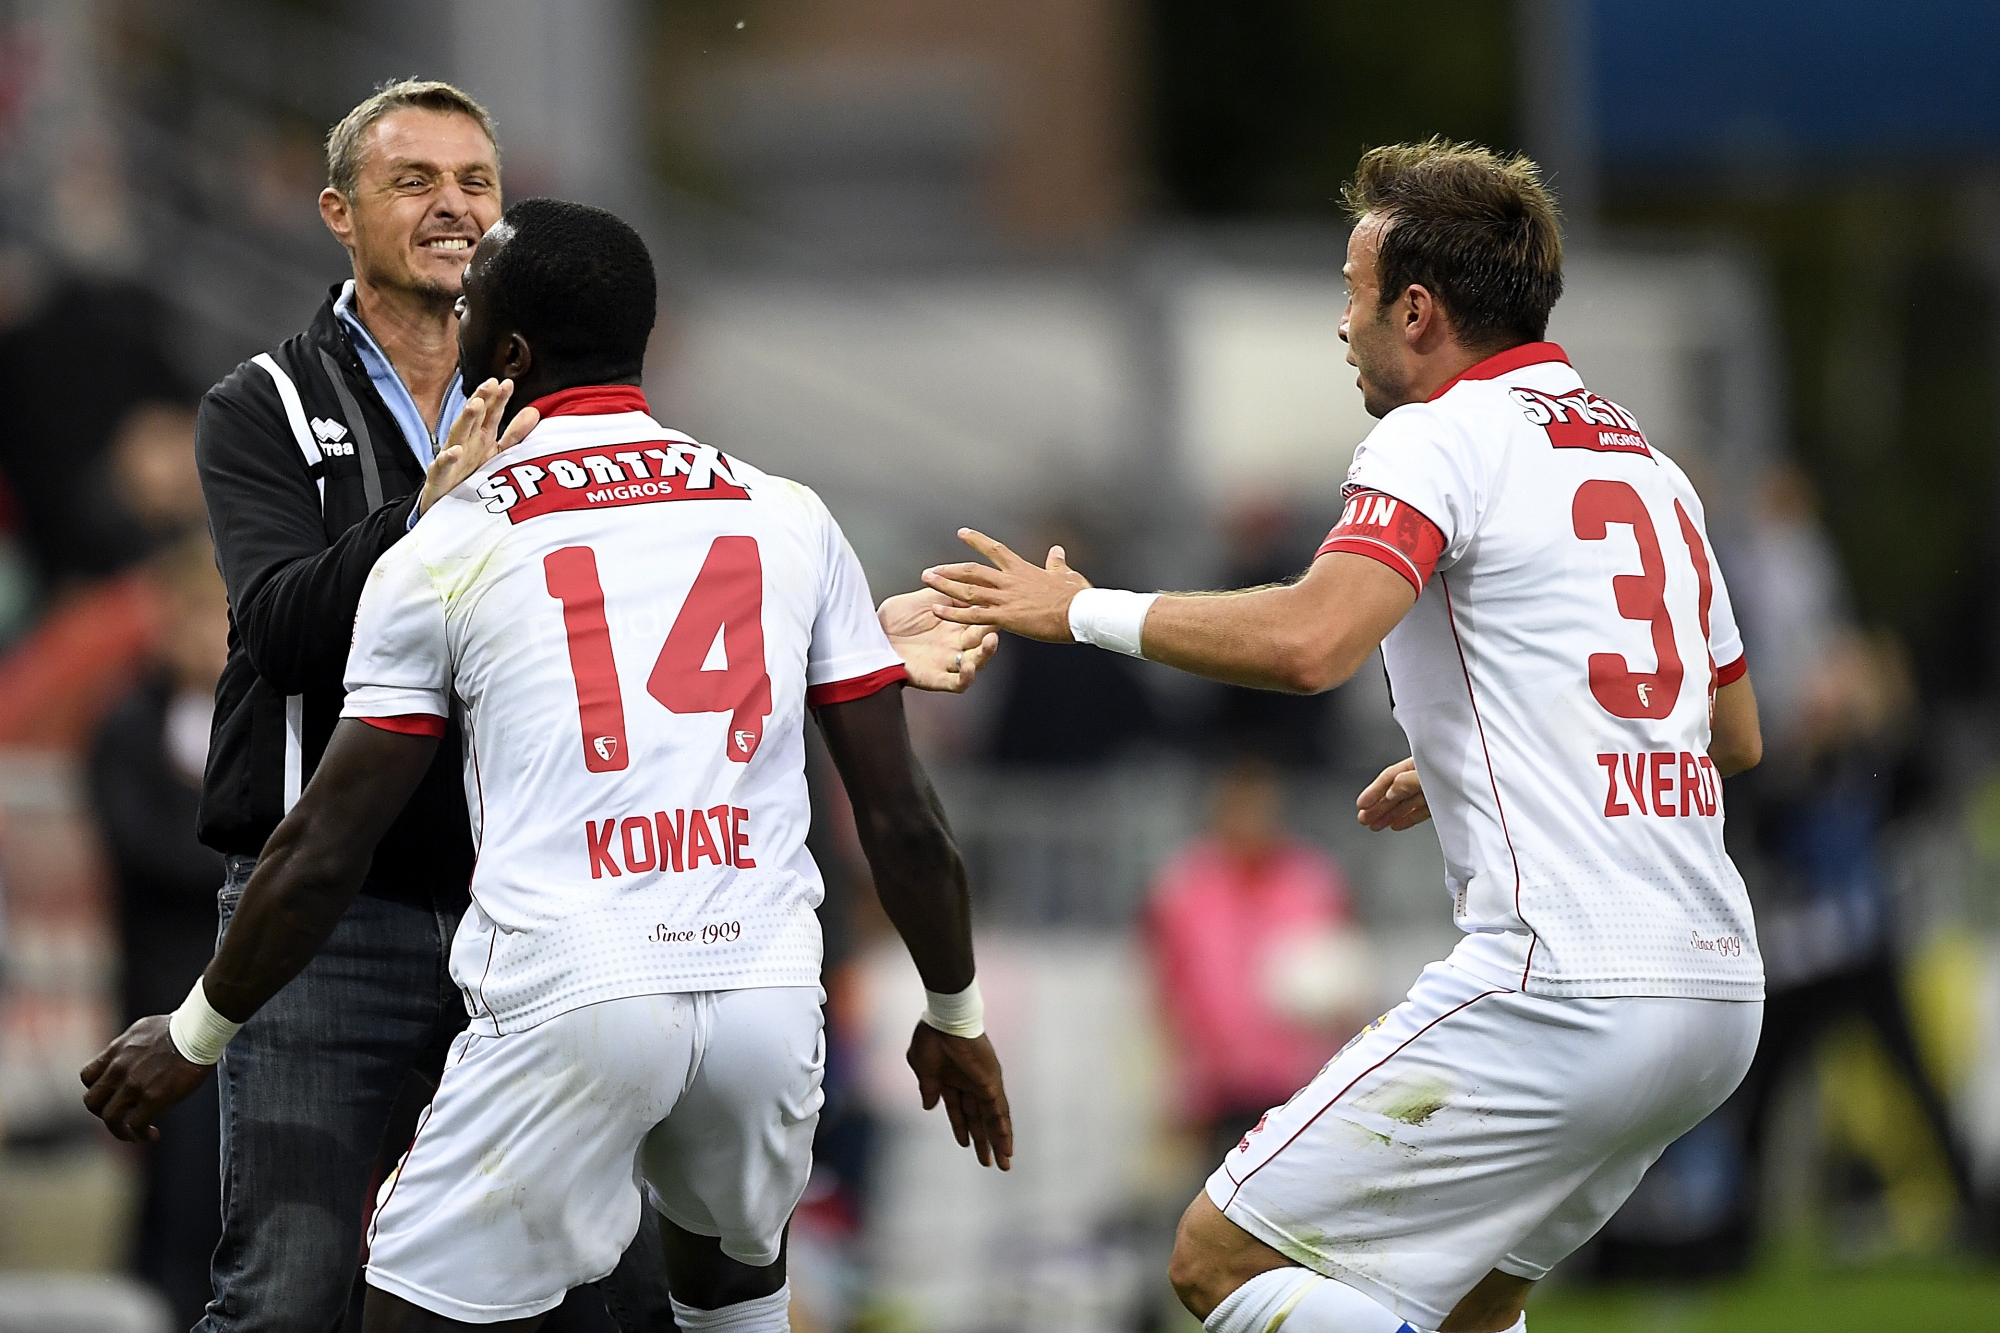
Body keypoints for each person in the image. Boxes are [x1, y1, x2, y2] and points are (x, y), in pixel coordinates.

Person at [82, 196, 1012, 1333]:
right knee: (728, 1303)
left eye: (472, 307)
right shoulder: (785, 512)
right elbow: (901, 818)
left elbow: (326, 841)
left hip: (579, 991)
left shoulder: (453, 542)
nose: (455, 320)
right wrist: (955, 1015)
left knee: (392, 1312)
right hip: (768, 990)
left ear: (508, 355)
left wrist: (193, 1035)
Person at [921, 140, 1766, 1333]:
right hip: (1714, 989)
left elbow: (1311, 641)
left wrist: (1080, 610)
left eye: (1351, 292)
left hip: (1562, 981)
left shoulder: (1440, 434)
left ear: (1415, 311)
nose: (1339, 325)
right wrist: (1489, 746)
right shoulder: (1649, 463)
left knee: (1216, 1260)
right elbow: (1726, 730)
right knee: (1467, 1304)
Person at [86, 533, 230, 1326]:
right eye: (190, 615)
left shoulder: (271, 720)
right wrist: (253, 865)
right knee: (171, 1181)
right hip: (159, 995)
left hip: (248, 996)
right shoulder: (130, 728)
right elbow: (144, 847)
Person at [1147, 760, 1360, 1167]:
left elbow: (1344, 970)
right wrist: (1173, 1084)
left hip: (1299, 1082)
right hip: (1215, 1087)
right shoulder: (1184, 886)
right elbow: (1165, 987)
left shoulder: (1313, 880)